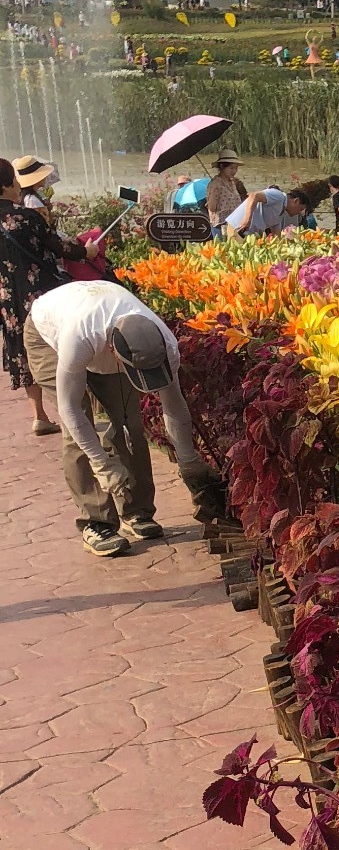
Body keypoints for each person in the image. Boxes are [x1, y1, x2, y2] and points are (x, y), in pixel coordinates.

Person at [24, 276, 224, 557]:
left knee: (128, 422)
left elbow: (173, 403)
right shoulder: (78, 337)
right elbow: (68, 410)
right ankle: (97, 523)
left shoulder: (164, 342)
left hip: (99, 322)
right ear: (113, 352)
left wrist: (188, 461)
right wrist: (101, 463)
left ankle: (137, 510)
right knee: (79, 430)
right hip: (48, 333)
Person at [0, 155, 71, 433]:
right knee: (55, 348)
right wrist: (86, 252)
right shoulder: (26, 217)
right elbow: (58, 247)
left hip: (8, 298)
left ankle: (39, 415)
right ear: (6, 185)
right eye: (14, 181)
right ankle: (69, 412)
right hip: (40, 294)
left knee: (22, 348)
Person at [219, 185, 307, 239]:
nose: (298, 213)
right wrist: (247, 219)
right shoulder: (278, 196)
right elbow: (254, 196)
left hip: (249, 234)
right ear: (296, 201)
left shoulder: (282, 212)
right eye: (300, 209)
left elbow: (276, 235)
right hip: (239, 228)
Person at [204, 148, 246, 230]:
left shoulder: (232, 182)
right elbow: (212, 208)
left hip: (235, 223)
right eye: (231, 168)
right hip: (221, 225)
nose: (234, 171)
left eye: (236, 168)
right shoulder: (215, 184)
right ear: (222, 166)